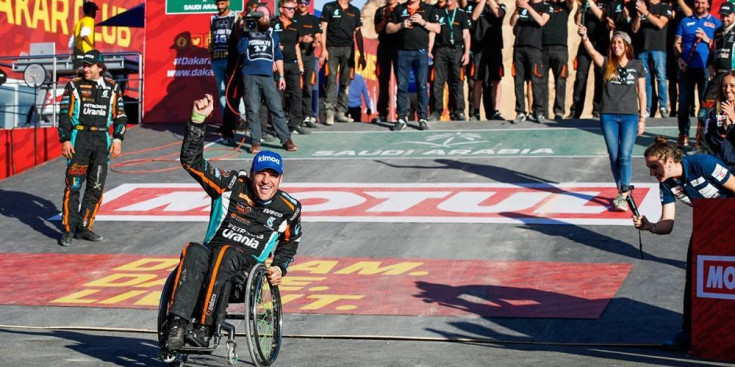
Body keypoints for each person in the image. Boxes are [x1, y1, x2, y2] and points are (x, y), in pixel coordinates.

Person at [164, 94, 302, 350]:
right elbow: (192, 163)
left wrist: (280, 267)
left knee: (228, 253)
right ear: (251, 174)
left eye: (273, 176)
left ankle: (204, 328)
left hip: (245, 274)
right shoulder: (230, 185)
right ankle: (177, 326)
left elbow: (291, 241)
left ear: (280, 180)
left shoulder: (288, 208)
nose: (265, 181)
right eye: (261, 173)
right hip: (208, 261)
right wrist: (197, 121)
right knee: (193, 249)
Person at [632, 136, 735, 351]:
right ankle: (689, 333)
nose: (651, 172)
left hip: (730, 219)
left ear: (669, 160)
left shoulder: (703, 164)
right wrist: (649, 226)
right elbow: (667, 224)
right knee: (695, 278)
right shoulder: (667, 184)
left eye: (654, 166)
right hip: (707, 226)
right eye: (649, 168)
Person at [57, 50, 127, 246]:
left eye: (89, 65)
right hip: (79, 139)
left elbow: (120, 116)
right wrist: (65, 139)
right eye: (84, 65)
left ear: (100, 67)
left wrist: (118, 138)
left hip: (101, 139)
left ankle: (85, 227)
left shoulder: (113, 87)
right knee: (74, 185)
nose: (85, 69)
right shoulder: (74, 85)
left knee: (96, 187)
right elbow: (64, 114)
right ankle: (69, 229)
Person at [578, 28, 647, 210]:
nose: (616, 45)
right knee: (614, 156)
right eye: (614, 43)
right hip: (608, 115)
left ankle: (624, 195)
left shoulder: (637, 65)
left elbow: (642, 93)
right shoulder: (607, 63)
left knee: (625, 156)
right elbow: (592, 52)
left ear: (626, 46)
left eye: (619, 43)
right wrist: (585, 37)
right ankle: (621, 190)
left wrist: (642, 118)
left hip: (630, 116)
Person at [237, 6, 298, 154]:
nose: (262, 17)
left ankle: (286, 139)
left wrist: (282, 76)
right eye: (258, 15)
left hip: (268, 76)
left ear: (269, 18)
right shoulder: (247, 31)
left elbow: (278, 56)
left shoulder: (273, 34)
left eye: (264, 15)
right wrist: (244, 32)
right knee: (252, 109)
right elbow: (240, 50)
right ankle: (255, 141)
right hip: (250, 75)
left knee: (276, 107)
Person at [386, 0, 442, 131]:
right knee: (402, 86)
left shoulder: (428, 9)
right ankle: (401, 118)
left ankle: (422, 118)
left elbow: (438, 28)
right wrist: (401, 24)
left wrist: (423, 22)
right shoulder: (399, 8)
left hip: (421, 52)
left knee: (422, 85)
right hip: (402, 52)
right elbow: (388, 28)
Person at [673, 0, 721, 148]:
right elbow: (676, 43)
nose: (700, 5)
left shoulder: (716, 23)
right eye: (697, 2)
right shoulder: (685, 21)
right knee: (683, 104)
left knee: (704, 106)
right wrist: (679, 58)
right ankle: (683, 134)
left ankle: (701, 137)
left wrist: (708, 40)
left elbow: (721, 45)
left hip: (706, 68)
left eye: (703, 2)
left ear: (708, 5)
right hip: (686, 68)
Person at [319, 0, 367, 125]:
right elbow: (323, 29)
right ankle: (329, 111)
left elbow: (358, 32)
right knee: (331, 79)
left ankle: (341, 112)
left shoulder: (354, 10)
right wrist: (323, 49)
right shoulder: (329, 7)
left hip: (349, 49)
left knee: (346, 81)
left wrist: (361, 55)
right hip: (331, 48)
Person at [510, 0, 552, 124]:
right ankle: (521, 111)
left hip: (534, 48)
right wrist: (517, 11)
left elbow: (542, 21)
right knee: (518, 81)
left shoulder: (545, 6)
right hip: (519, 47)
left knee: (536, 81)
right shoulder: (522, 5)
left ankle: (538, 111)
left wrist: (527, 7)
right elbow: (512, 23)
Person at [429, 0, 472, 122]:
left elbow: (466, 34)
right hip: (440, 50)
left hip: (456, 50)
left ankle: (458, 111)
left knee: (457, 82)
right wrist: (429, 50)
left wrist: (467, 52)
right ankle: (436, 111)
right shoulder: (437, 12)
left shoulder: (461, 14)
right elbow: (432, 33)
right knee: (438, 82)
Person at [272, 0, 309, 135]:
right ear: (281, 9)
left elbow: (296, 45)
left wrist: (300, 63)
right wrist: (273, 61)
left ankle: (294, 124)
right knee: (277, 96)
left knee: (296, 95)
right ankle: (278, 126)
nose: (293, 11)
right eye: (290, 9)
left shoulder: (296, 24)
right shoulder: (273, 23)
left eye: (294, 9)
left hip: (293, 64)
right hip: (278, 64)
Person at [631, 0, 672, 118]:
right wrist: (639, 16)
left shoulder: (664, 6)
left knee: (661, 77)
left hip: (658, 48)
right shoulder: (643, 6)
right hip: (643, 48)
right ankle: (646, 109)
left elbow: (661, 24)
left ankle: (663, 106)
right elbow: (634, 29)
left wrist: (646, 13)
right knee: (645, 79)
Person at [466, 0, 506, 121]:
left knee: (496, 80)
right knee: (478, 79)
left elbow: (499, 14)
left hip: (495, 47)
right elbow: (474, 16)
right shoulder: (471, 6)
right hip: (478, 48)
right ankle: (476, 112)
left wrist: (490, 2)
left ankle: (496, 110)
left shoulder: (500, 6)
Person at [569, 0, 608, 119]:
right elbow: (578, 21)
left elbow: (602, 17)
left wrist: (591, 3)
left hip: (601, 42)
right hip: (586, 41)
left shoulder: (604, 2)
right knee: (580, 77)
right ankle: (575, 111)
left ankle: (597, 110)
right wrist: (580, 9)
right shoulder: (583, 2)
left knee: (600, 77)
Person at [209, 0, 241, 135]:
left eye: (222, 3)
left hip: (231, 59)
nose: (220, 6)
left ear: (227, 3)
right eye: (218, 4)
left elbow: (240, 36)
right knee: (222, 92)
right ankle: (226, 122)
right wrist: (211, 53)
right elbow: (211, 37)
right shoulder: (213, 18)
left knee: (234, 91)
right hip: (217, 59)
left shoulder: (236, 16)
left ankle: (240, 119)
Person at [541, 0, 574, 121]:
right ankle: (543, 112)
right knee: (541, 81)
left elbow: (572, 2)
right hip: (542, 48)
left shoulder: (564, 5)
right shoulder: (543, 5)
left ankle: (559, 111)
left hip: (560, 48)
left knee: (561, 81)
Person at [294, 0, 322, 128]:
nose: (303, 4)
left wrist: (316, 41)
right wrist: (302, 39)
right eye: (300, 2)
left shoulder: (313, 19)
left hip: (309, 55)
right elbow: (288, 36)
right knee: (293, 87)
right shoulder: (292, 16)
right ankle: (293, 116)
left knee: (307, 87)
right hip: (294, 55)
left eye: (306, 2)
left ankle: (306, 115)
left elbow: (318, 36)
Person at [374, 0, 401, 123]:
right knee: (383, 81)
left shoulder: (402, 8)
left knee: (401, 80)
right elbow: (378, 30)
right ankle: (382, 112)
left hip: (399, 46)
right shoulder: (380, 11)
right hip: (384, 46)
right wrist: (384, 19)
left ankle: (402, 112)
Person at [703, 71, 735, 168]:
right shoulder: (716, 111)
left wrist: (733, 120)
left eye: (732, 85)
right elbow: (708, 138)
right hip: (720, 165)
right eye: (724, 86)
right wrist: (724, 128)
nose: (728, 90)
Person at [71, 1, 100, 69]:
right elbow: (84, 35)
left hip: (78, 54)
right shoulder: (89, 20)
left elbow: (72, 42)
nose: (95, 13)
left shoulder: (79, 22)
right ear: (91, 11)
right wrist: (92, 46)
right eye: (95, 11)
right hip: (86, 53)